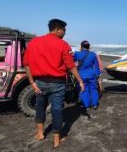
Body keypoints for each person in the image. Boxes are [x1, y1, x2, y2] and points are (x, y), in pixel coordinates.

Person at [23, 19, 84, 148]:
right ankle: (57, 138)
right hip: (57, 83)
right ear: (57, 29)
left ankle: (40, 133)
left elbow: (26, 64)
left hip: (39, 82)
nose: (65, 33)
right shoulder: (63, 45)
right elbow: (71, 66)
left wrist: (31, 82)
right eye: (64, 30)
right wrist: (80, 80)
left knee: (40, 107)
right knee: (57, 109)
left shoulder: (34, 42)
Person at [74, 40, 101, 110]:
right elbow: (97, 66)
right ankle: (95, 104)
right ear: (89, 47)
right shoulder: (93, 54)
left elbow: (71, 61)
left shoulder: (77, 54)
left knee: (84, 89)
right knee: (94, 89)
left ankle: (87, 105)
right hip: (92, 74)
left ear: (81, 46)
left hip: (82, 74)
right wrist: (98, 75)